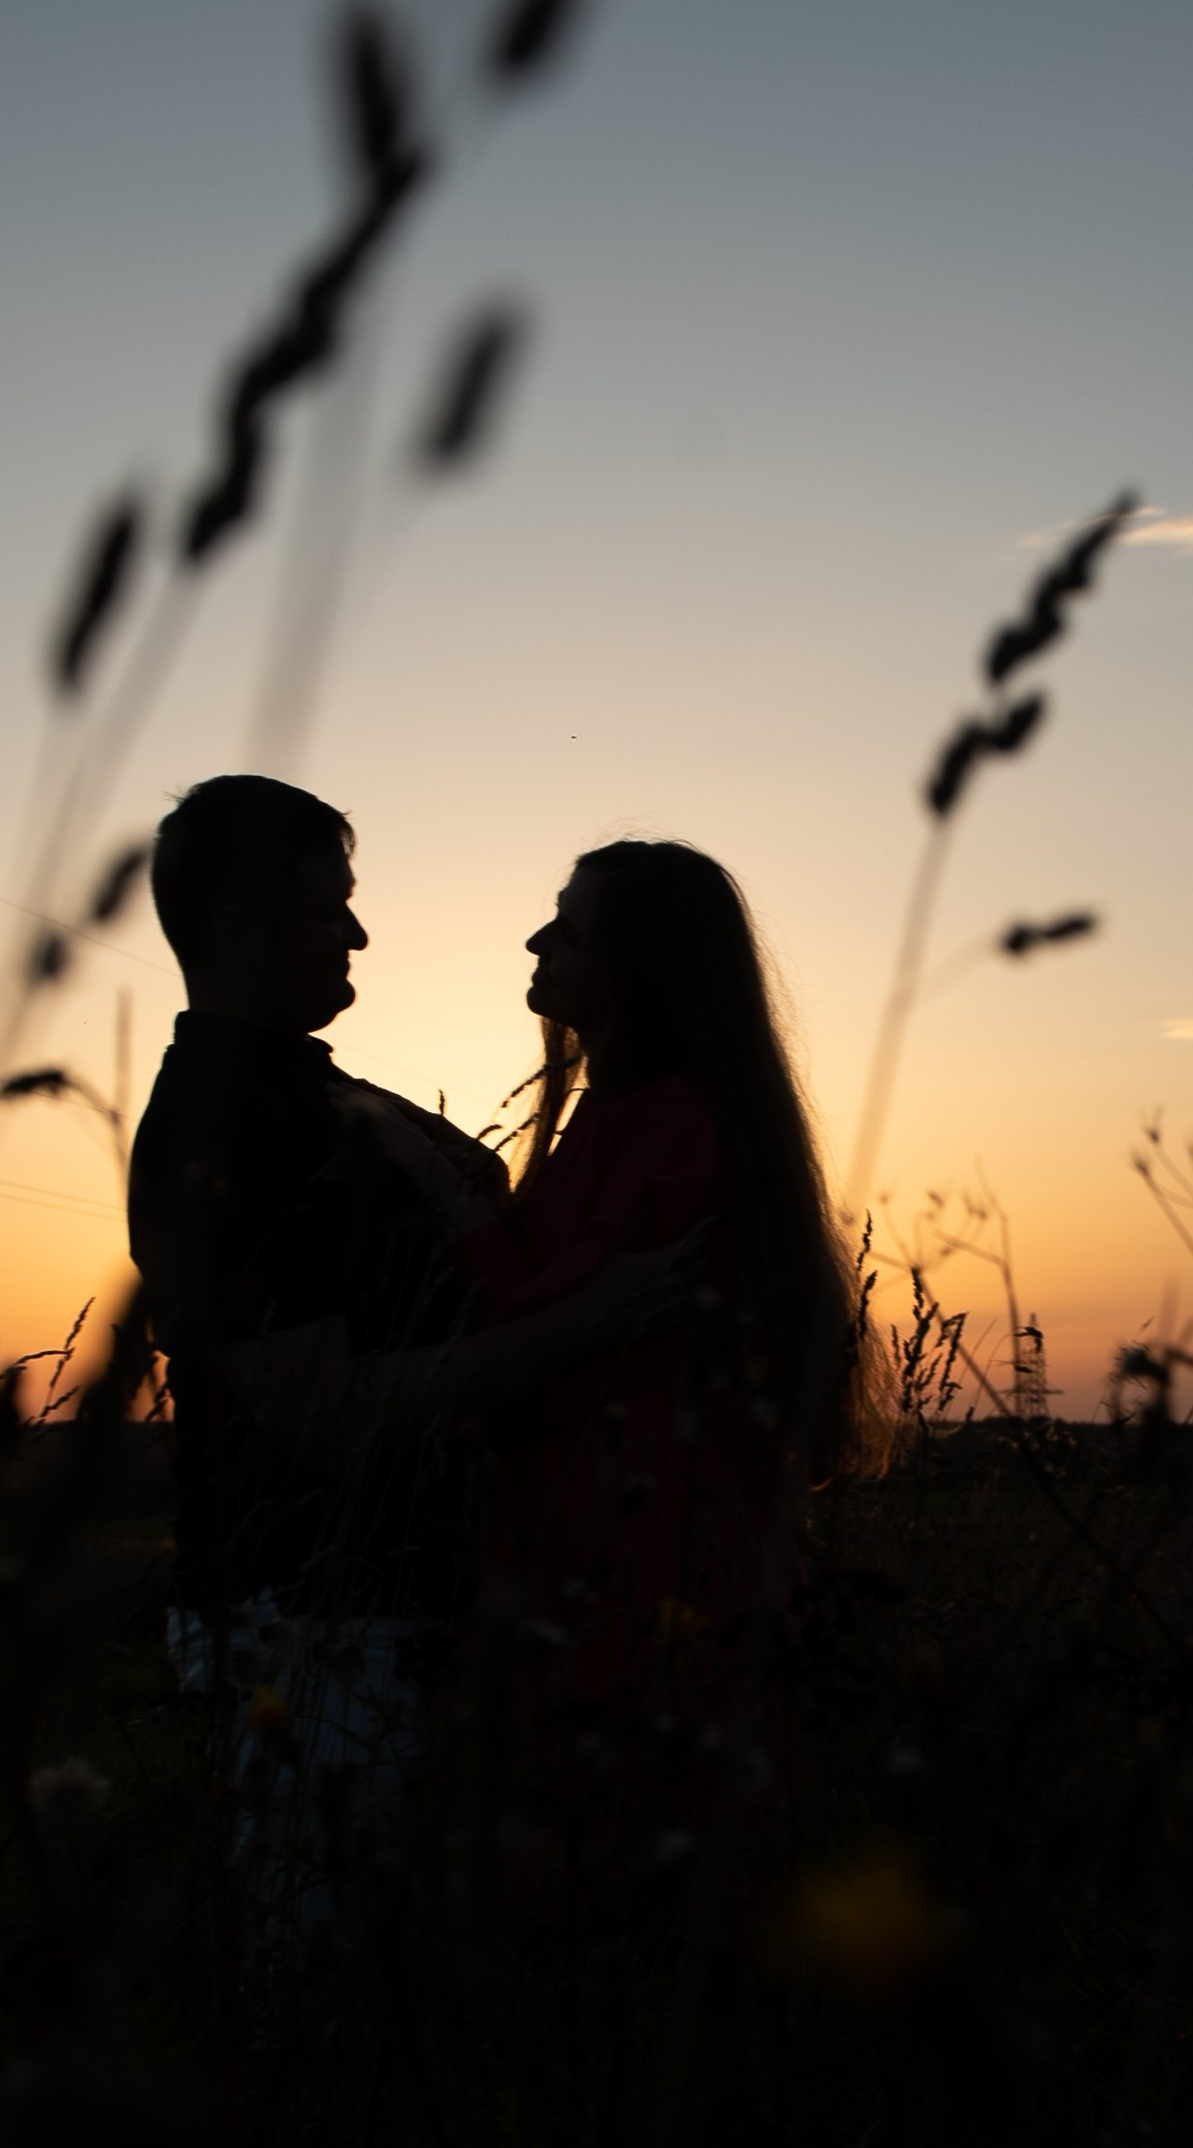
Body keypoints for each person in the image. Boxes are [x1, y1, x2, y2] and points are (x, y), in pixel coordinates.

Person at [124, 775, 691, 1941]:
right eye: (330, 904)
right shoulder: (218, 1130)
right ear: (236, 926)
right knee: (325, 1992)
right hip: (309, 1630)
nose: (358, 931)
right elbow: (326, 1417)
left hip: (391, 1618)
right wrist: (588, 1324)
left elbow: (474, 1199)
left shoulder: (313, 1093)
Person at [460, 839, 884, 1753]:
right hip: (596, 1547)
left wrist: (458, 1215)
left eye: (568, 930)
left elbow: (555, 1361)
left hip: (651, 1563)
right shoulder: (616, 1120)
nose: (538, 940)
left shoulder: (680, 1134)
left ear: (637, 965)